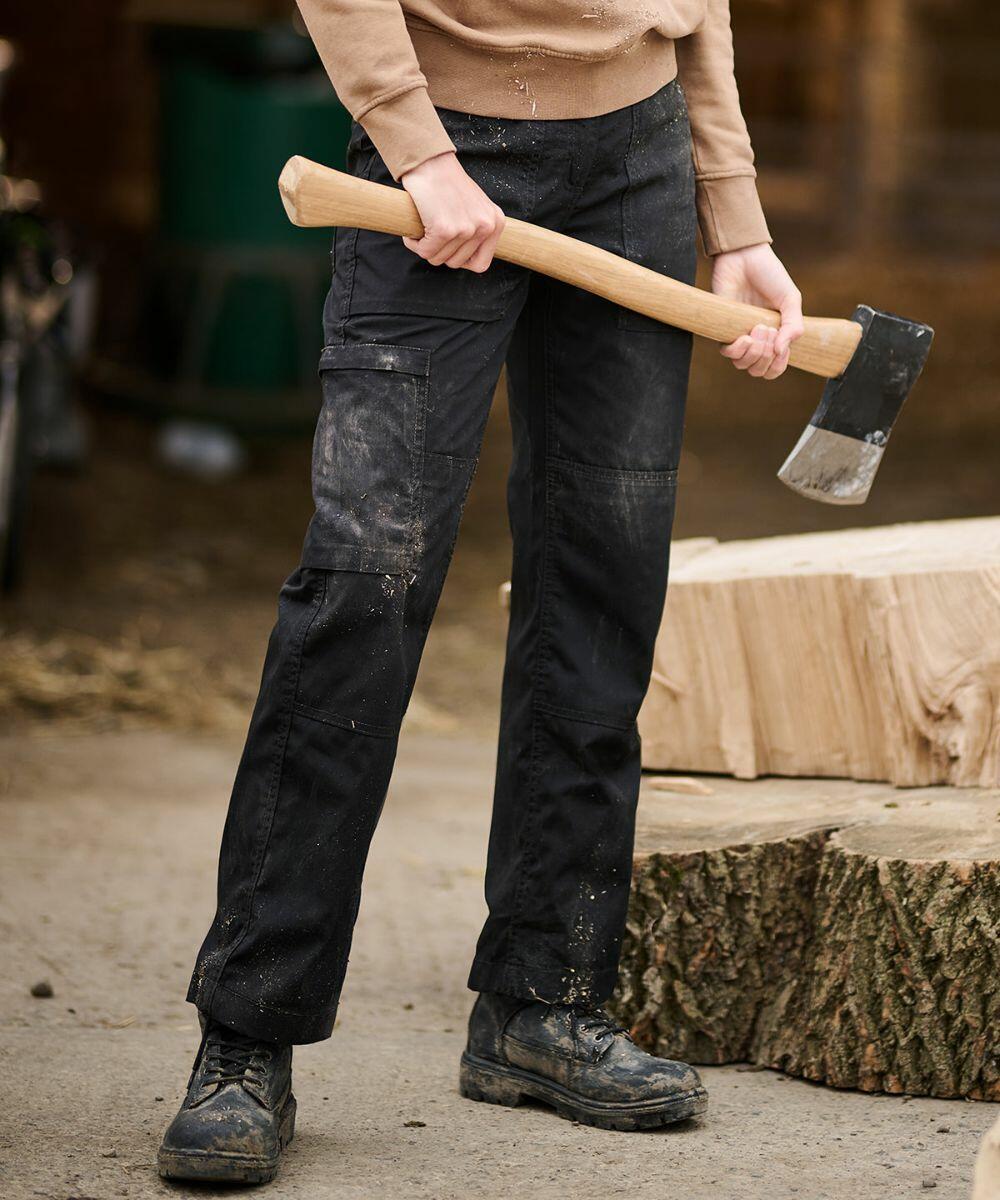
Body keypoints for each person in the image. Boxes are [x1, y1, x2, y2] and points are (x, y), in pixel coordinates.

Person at [157, 0, 803, 1183]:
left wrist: (732, 206)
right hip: (440, 146)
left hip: (639, 154)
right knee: (365, 581)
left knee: (602, 580)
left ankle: (539, 1006)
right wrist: (418, 146)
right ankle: (246, 1034)